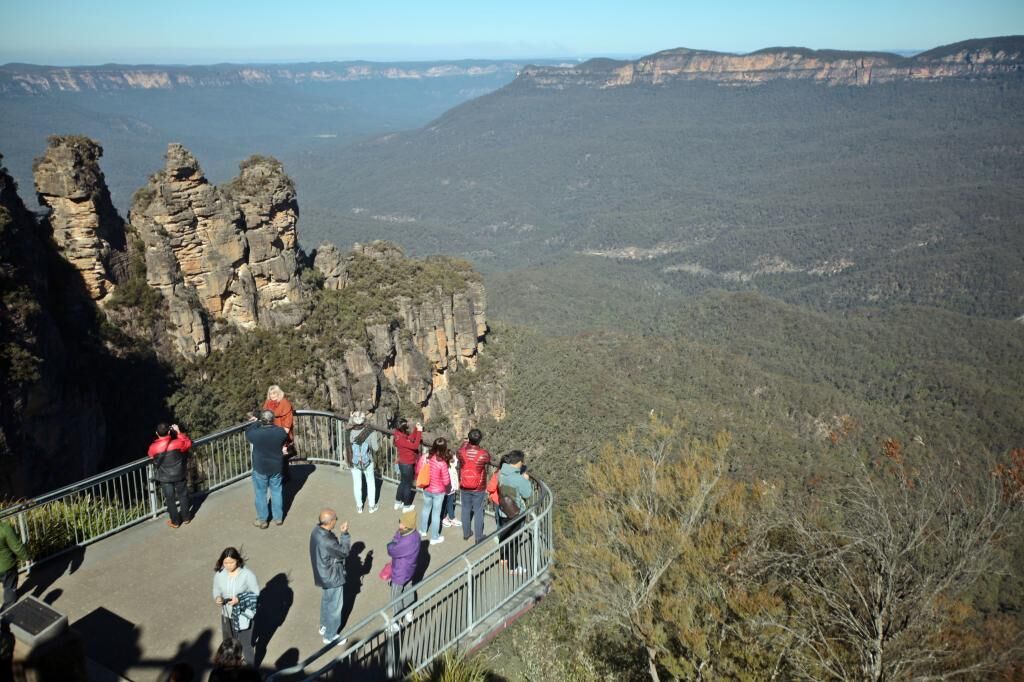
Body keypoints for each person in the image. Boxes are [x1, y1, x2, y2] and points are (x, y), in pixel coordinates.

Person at [212, 548, 260, 667]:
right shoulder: (219, 574)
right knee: (228, 645)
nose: (228, 566)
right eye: (225, 563)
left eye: (231, 562)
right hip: (227, 616)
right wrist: (217, 597)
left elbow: (256, 593)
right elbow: (216, 589)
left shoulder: (247, 575)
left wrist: (239, 599)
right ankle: (229, 669)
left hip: (243, 615)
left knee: (246, 645)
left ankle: (251, 672)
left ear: (237, 560)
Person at [309, 508, 350, 645]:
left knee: (326, 602)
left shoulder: (316, 531)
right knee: (335, 607)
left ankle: (324, 626)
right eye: (335, 519)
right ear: (330, 522)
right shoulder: (327, 540)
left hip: (323, 573)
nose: (336, 521)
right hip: (333, 576)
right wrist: (344, 535)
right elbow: (344, 552)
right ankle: (330, 636)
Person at [245, 409, 288, 528]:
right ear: (273, 420)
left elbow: (248, 432)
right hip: (276, 466)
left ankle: (262, 520)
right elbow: (283, 435)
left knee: (260, 493)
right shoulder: (280, 432)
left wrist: (256, 422)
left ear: (262, 420)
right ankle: (278, 518)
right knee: (277, 492)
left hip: (261, 467)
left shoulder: (255, 434)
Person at [148, 422, 193, 528]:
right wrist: (178, 432)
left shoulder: (153, 447)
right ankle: (186, 518)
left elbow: (151, 456)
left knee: (170, 499)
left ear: (156, 433)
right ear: (169, 432)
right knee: (183, 495)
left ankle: (175, 522)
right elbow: (188, 444)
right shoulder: (177, 443)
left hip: (165, 477)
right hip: (179, 474)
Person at [497, 450, 533, 575]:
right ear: (519, 462)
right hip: (516, 513)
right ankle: (513, 566)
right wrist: (526, 480)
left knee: (504, 534)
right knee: (515, 539)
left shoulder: (501, 473)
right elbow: (527, 494)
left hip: (503, 510)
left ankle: (503, 558)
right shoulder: (518, 478)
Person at [386, 509, 421, 632]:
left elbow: (392, 550)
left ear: (407, 525)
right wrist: (396, 539)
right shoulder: (415, 534)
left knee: (395, 595)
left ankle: (397, 621)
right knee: (408, 589)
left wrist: (391, 544)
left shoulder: (407, 540)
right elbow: (397, 535)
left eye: (401, 522)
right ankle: (409, 611)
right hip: (410, 569)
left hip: (400, 571)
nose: (399, 524)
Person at [456, 429, 491, 543]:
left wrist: (466, 443)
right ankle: (478, 537)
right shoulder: (484, 454)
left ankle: (466, 533)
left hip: (464, 484)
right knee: (478, 510)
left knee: (465, 508)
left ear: (469, 439)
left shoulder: (461, 452)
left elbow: (459, 452)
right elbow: (489, 459)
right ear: (480, 440)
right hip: (478, 486)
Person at [417, 438, 452, 545]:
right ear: (444, 449)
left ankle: (423, 530)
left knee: (426, 509)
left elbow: (420, 469)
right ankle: (434, 537)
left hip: (427, 488)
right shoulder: (442, 463)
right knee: (436, 514)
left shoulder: (428, 457)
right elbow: (446, 481)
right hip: (438, 492)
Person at [348, 411, 380, 514]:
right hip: (368, 461)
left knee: (357, 484)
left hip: (355, 461)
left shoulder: (350, 431)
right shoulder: (371, 432)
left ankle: (359, 507)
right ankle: (371, 506)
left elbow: (349, 426)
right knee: (370, 483)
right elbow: (375, 448)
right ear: (365, 419)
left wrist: (351, 418)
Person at [392, 418, 423, 512]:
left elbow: (410, 439)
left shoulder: (398, 434)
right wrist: (420, 432)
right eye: (406, 425)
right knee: (407, 485)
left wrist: (416, 429)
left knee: (403, 482)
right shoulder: (401, 439)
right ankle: (406, 506)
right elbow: (415, 446)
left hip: (402, 463)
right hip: (407, 464)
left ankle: (397, 502)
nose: (408, 426)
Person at [0, 522, 28, 613]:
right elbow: (17, 547)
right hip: (6, 566)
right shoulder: (4, 528)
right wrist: (26, 557)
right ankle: (6, 612)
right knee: (9, 587)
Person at [442, 452, 461, 530]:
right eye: (455, 460)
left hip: (452, 490)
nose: (457, 461)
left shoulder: (453, 469)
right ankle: (443, 518)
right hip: (447, 491)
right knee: (444, 504)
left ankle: (451, 517)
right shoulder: (447, 470)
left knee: (450, 504)